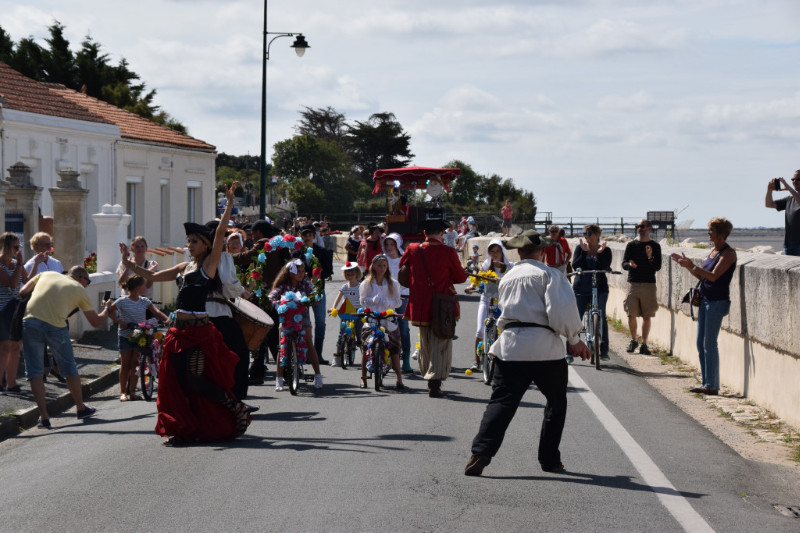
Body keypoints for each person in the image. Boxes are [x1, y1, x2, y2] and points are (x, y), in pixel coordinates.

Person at [119, 183, 252, 444]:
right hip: (177, 330)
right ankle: (182, 429)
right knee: (173, 381)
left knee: (197, 379)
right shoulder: (184, 265)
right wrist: (128, 264)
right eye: (188, 241)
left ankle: (236, 407)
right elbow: (153, 276)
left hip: (199, 332)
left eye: (194, 241)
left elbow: (221, 233)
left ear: (205, 244)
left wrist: (228, 204)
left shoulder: (209, 265)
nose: (189, 244)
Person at [465, 229, 591, 476]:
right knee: (556, 402)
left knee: (501, 403)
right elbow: (562, 310)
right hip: (545, 349)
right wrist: (575, 339)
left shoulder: (509, 277)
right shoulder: (550, 274)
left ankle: (480, 453)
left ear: (519, 252)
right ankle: (550, 460)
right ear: (543, 252)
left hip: (511, 347)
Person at [19, 266, 113, 428]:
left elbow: (23, 292)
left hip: (30, 321)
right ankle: (80, 408)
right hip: (56, 326)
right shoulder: (78, 289)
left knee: (34, 371)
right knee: (69, 368)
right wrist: (107, 310)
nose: (86, 284)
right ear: (81, 278)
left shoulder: (47, 274)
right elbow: (96, 321)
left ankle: (44, 417)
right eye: (87, 281)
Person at [399, 219, 469, 398]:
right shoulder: (448, 252)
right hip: (442, 304)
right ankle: (435, 383)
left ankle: (428, 376)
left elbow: (403, 270)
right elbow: (461, 278)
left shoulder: (413, 249)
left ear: (424, 234)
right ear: (441, 233)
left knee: (425, 342)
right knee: (442, 342)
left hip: (420, 303)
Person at [671, 217, 737, 396]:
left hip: (717, 302)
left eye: (711, 230)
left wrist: (693, 265)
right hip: (706, 299)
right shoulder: (713, 251)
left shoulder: (728, 253)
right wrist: (687, 267)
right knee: (701, 343)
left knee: (710, 343)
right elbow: (704, 277)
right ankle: (706, 382)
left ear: (721, 233)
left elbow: (714, 276)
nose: (708, 233)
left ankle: (712, 385)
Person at [230, 219, 287, 385]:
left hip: (265, 294)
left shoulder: (263, 243)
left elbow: (246, 257)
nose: (252, 238)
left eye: (253, 234)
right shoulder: (279, 243)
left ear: (260, 233)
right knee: (273, 332)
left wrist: (226, 257)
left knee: (263, 331)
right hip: (278, 292)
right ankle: (282, 370)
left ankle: (259, 371)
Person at [206, 220, 251, 401]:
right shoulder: (223, 257)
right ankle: (237, 399)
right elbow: (229, 284)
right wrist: (244, 293)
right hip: (218, 312)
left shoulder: (197, 257)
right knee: (240, 354)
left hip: (197, 313)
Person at [108, 276, 168, 401]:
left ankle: (132, 392)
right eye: (144, 285)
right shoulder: (122, 301)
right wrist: (119, 321)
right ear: (137, 288)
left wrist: (167, 320)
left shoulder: (144, 301)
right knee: (125, 364)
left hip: (140, 336)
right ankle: (123, 392)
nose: (146, 288)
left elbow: (156, 311)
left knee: (135, 364)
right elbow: (110, 311)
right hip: (125, 335)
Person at [269, 258, 324, 391]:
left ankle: (318, 375)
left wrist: (313, 298)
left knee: (309, 343)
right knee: (282, 346)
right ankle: (279, 379)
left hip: (302, 315)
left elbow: (313, 293)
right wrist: (275, 303)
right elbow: (272, 295)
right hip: (286, 316)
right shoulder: (283, 285)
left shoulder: (305, 283)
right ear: (289, 273)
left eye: (302, 271)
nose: (301, 274)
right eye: (297, 271)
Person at [464, 238, 513, 371]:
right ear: (489, 253)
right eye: (492, 251)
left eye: (498, 251)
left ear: (502, 252)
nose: (495, 254)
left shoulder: (510, 267)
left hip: (502, 303)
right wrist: (471, 287)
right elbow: (477, 280)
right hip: (486, 300)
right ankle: (476, 361)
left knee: (506, 331)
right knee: (480, 330)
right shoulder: (485, 265)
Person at [359, 254, 406, 390]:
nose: (382, 268)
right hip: (372, 318)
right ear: (373, 266)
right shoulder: (366, 283)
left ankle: (399, 379)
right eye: (379, 265)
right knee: (365, 348)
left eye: (384, 265)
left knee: (395, 350)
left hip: (388, 319)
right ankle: (363, 379)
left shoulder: (393, 283)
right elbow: (362, 301)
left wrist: (387, 302)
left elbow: (398, 302)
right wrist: (372, 301)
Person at [570, 224, 612, 363]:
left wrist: (599, 253)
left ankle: (604, 350)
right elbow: (576, 265)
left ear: (596, 235)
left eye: (588, 233)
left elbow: (604, 267)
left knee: (601, 315)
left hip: (600, 287)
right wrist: (583, 252)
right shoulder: (579, 248)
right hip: (582, 287)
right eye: (584, 234)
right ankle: (569, 351)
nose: (586, 236)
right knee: (576, 318)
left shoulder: (606, 250)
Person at [622, 219, 662, 355]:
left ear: (649, 228)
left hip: (649, 284)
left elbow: (657, 266)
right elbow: (624, 263)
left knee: (647, 315)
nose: (640, 228)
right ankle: (633, 340)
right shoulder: (631, 245)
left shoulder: (655, 246)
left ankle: (644, 344)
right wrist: (630, 265)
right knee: (631, 314)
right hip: (633, 283)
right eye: (638, 226)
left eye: (643, 226)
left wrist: (650, 257)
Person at [300, 225, 334, 365]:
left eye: (310, 235)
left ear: (314, 236)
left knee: (320, 321)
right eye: (305, 235)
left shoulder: (321, 251)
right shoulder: (297, 252)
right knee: (303, 323)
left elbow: (329, 270)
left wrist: (318, 277)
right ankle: (306, 353)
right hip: (301, 292)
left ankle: (318, 353)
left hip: (318, 291)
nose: (307, 238)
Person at [0, 232, 27, 394]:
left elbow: (26, 281)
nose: (18, 250)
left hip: (17, 308)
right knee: (4, 347)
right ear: (7, 247)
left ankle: (11, 383)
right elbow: (11, 284)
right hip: (3, 309)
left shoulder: (16, 263)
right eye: (16, 247)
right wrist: (19, 265)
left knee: (16, 347)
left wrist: (35, 265)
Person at [382, 233, 413, 373]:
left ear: (397, 245)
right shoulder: (382, 260)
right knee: (386, 328)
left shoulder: (404, 260)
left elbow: (410, 279)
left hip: (402, 297)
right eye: (387, 244)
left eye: (392, 244)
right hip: (386, 299)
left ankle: (405, 360)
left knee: (404, 328)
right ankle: (387, 358)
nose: (389, 247)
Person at [329, 262, 362, 367]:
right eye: (348, 274)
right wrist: (334, 307)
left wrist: (365, 309)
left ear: (357, 274)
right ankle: (338, 356)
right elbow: (338, 299)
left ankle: (366, 356)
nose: (350, 276)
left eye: (352, 274)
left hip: (358, 312)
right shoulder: (344, 287)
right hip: (346, 312)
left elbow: (365, 299)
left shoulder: (361, 287)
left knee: (360, 334)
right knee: (341, 333)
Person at [765, 171, 800, 256]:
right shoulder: (789, 200)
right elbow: (769, 204)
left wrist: (787, 186)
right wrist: (769, 190)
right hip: (788, 245)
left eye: (798, 179)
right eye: (793, 179)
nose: (794, 181)